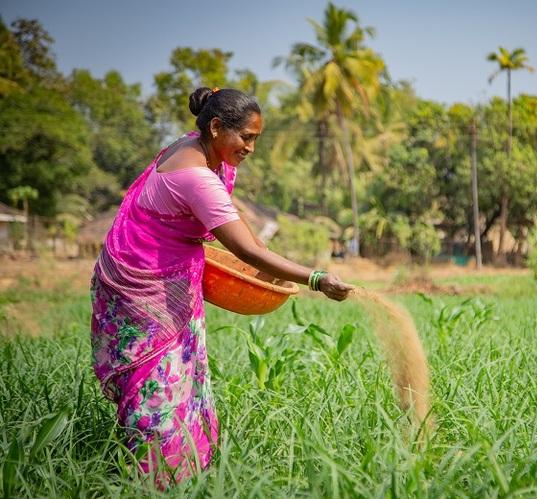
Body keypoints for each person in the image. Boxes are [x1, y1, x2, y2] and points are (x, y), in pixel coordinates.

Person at [90, 87, 353, 486]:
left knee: (181, 372)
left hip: (161, 273)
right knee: (157, 382)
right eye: (246, 137)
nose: (250, 147)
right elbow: (244, 248)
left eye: (255, 139)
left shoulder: (195, 146)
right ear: (216, 127)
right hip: (141, 285)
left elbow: (242, 230)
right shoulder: (196, 178)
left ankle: (185, 470)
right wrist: (316, 278)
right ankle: (152, 480)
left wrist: (264, 252)